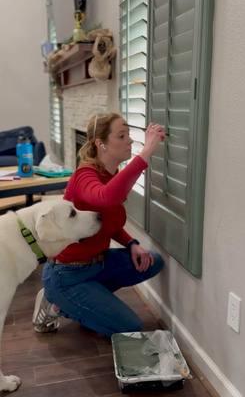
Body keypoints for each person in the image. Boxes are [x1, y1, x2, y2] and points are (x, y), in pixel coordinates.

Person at [32, 113, 166, 336]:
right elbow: (106, 198)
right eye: (122, 135)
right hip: (67, 274)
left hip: (97, 265)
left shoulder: (111, 175)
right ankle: (57, 301)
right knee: (130, 327)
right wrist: (146, 152)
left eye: (129, 135)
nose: (131, 141)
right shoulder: (85, 176)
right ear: (100, 143)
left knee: (153, 261)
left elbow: (110, 221)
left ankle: (85, 302)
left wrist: (131, 243)